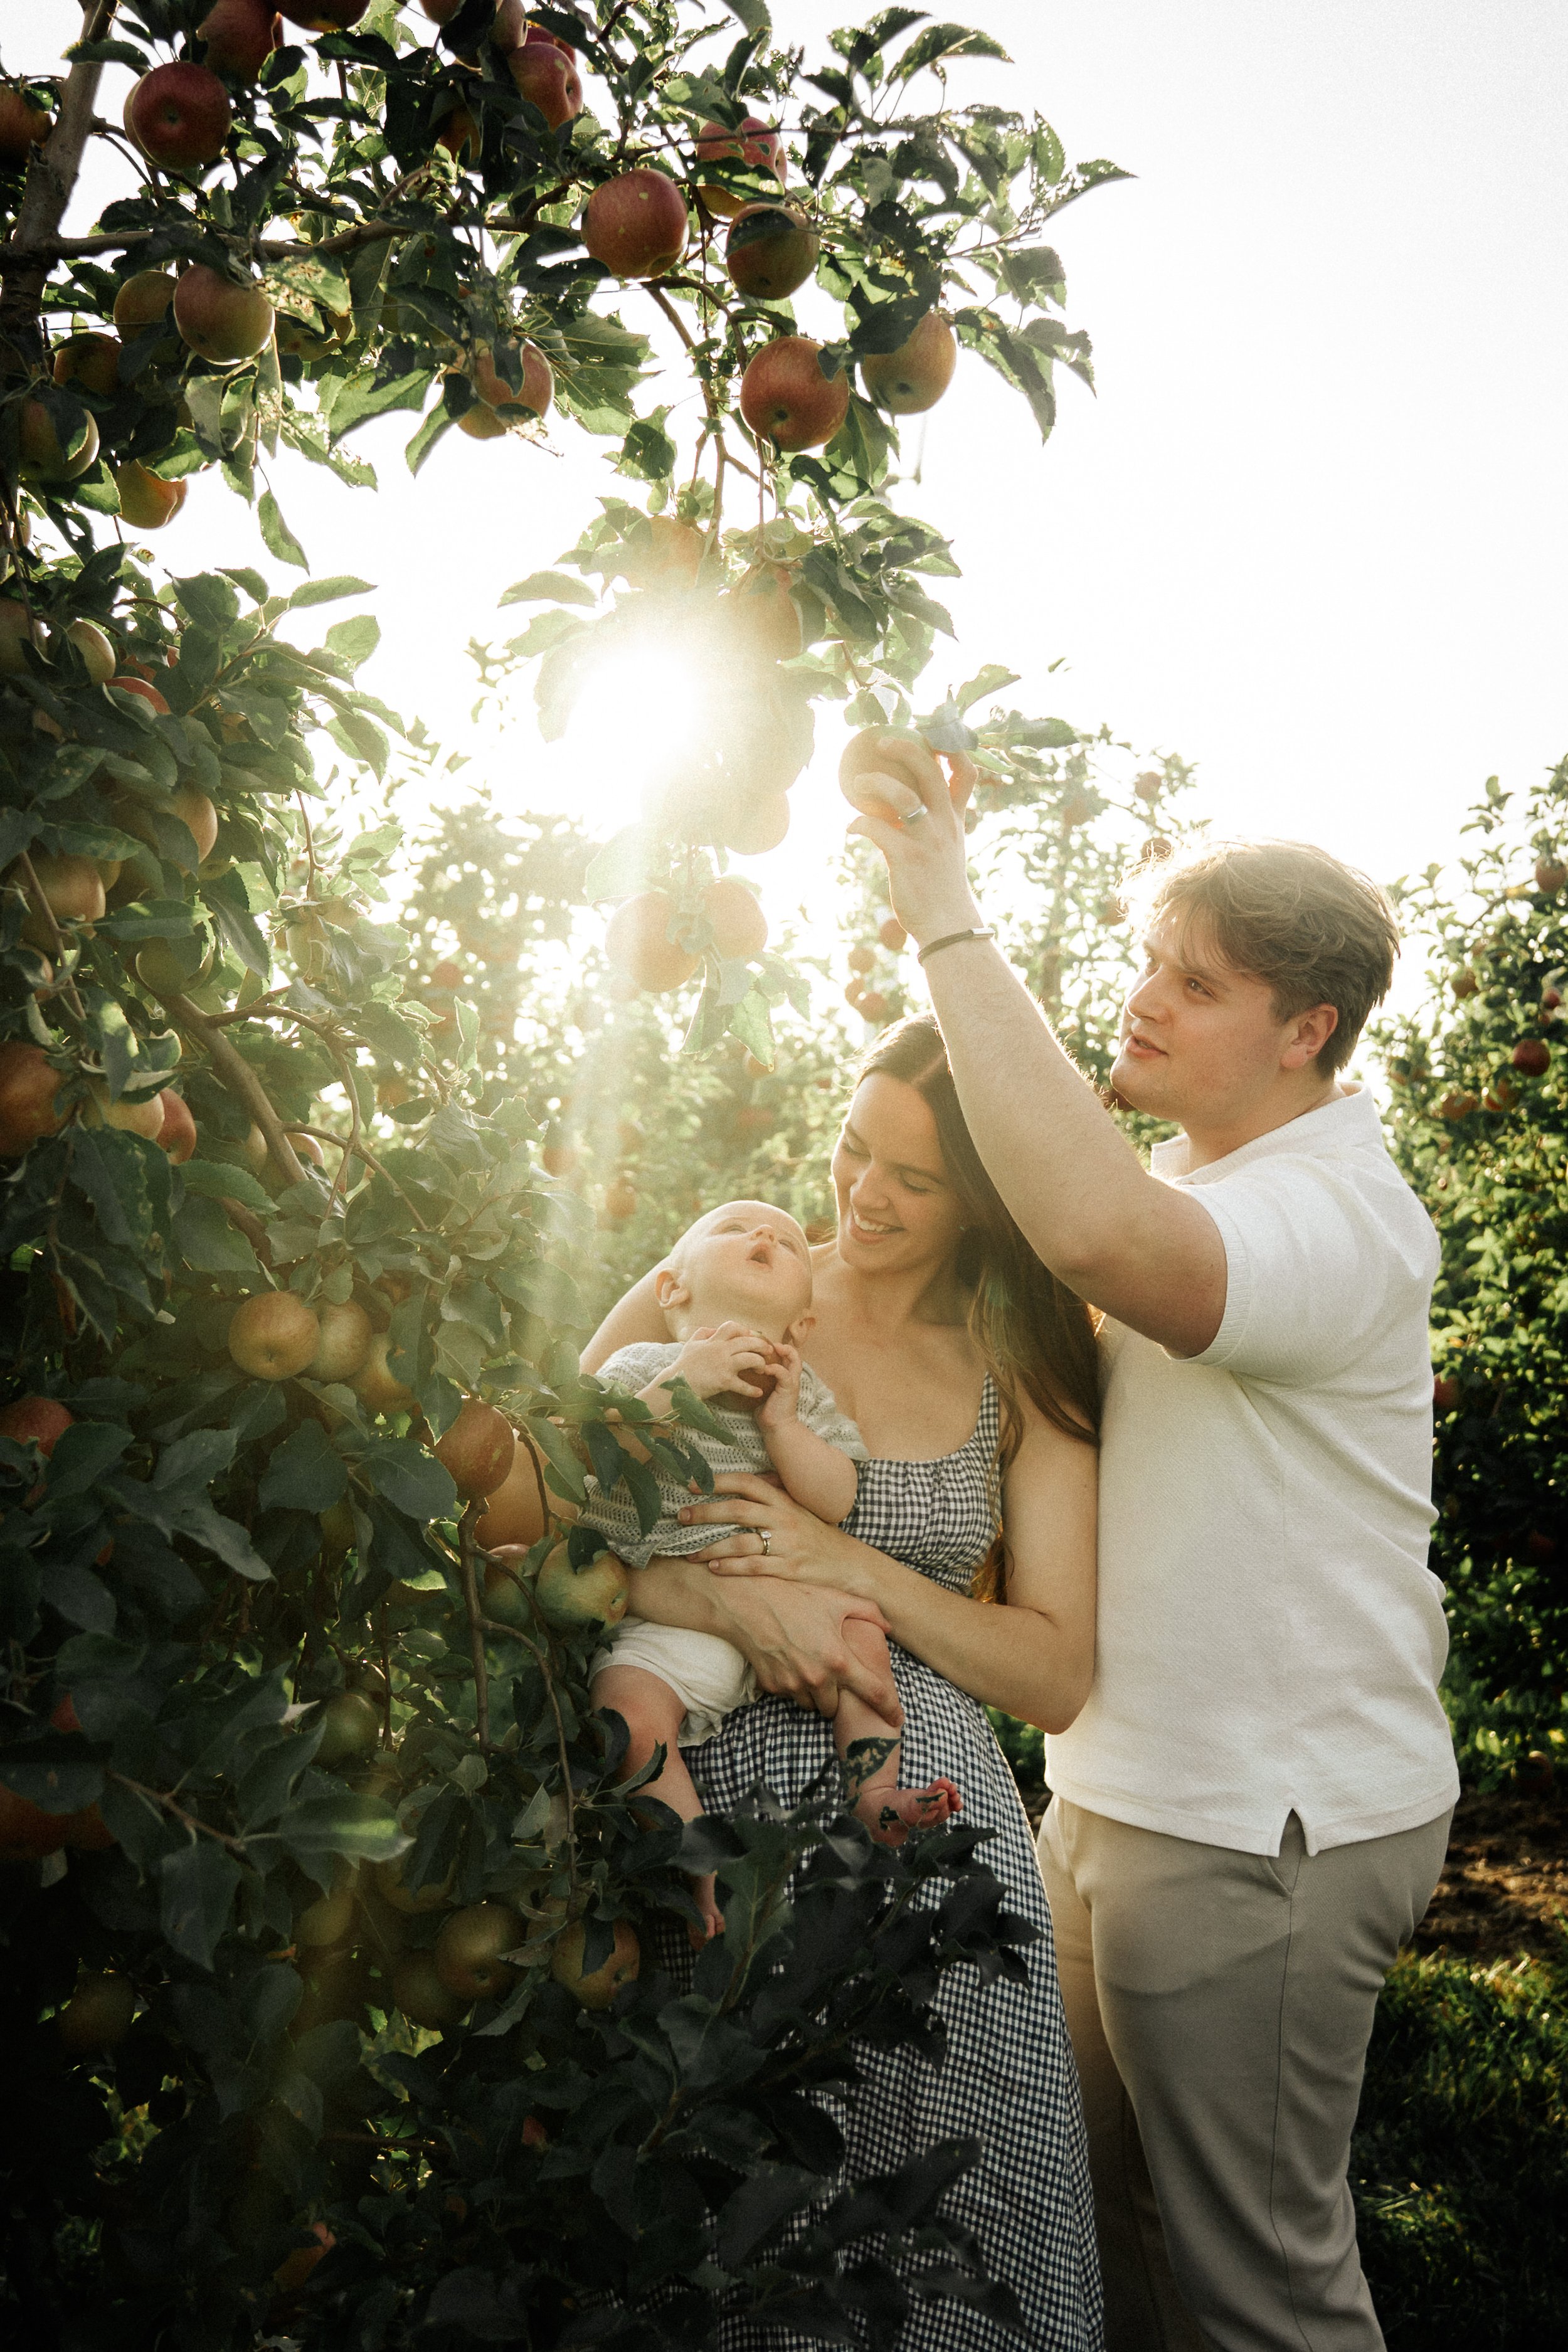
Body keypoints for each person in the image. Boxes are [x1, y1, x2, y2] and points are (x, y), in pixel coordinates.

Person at [844, 749, 1458, 2352]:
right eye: (1146, 963)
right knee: (1094, 2229)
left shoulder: (1335, 1212)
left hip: (1266, 1825)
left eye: (1197, 981)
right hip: (1121, 1792)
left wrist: (947, 921)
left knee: (1261, 2284)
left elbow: (1099, 1233)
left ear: (1305, 1028)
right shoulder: (1204, 1176)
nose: (1145, 1000)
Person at [583, 1015, 1104, 2351]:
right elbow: (527, 1530)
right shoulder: (719, 1282)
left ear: (982, 1203)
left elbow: (1050, 1671)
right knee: (734, 2221)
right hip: (709, 1801)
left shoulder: (1024, 1369)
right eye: (852, 1147)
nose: (860, 1195)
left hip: (922, 1819)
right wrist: (714, 1600)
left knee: (955, 2213)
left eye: (912, 1179)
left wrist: (840, 1565)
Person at [582, 1198, 961, 1937]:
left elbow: (836, 1497)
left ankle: (875, 1793)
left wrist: (783, 1425)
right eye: (732, 1229)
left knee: (863, 1643)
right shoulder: (643, 1367)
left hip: (792, 1609)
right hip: (671, 1621)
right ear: (672, 1290)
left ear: (799, 1328)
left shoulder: (798, 1392)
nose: (763, 1236)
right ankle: (696, 1855)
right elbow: (600, 1452)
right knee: (626, 1718)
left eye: (787, 1243)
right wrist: (687, 1379)